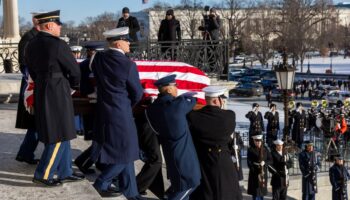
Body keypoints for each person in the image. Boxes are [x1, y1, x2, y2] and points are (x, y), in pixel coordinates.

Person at [25, 10, 84, 186]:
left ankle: (65, 171)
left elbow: (31, 70)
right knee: (58, 134)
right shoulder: (58, 44)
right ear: (49, 25)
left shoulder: (31, 44)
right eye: (58, 25)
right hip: (58, 91)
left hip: (42, 88)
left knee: (63, 131)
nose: (60, 28)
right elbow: (74, 70)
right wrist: (74, 86)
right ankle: (43, 174)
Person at [89, 27, 144, 199]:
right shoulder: (128, 64)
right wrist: (128, 105)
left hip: (104, 110)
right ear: (118, 42)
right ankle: (102, 182)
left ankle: (132, 193)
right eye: (127, 40)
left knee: (124, 152)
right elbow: (137, 93)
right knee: (127, 152)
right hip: (121, 113)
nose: (129, 44)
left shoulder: (98, 58)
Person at [146, 74, 201, 200]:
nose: (177, 88)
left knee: (180, 186)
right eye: (175, 86)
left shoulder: (151, 109)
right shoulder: (177, 105)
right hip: (183, 156)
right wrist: (186, 97)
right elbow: (193, 101)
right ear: (169, 89)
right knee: (188, 186)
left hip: (170, 153)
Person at [187, 86, 242, 200]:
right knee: (227, 191)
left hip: (203, 160)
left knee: (205, 193)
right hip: (224, 159)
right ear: (218, 100)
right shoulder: (229, 116)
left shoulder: (193, 116)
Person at [74, 41, 105, 174]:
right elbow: (84, 85)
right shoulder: (86, 65)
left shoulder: (89, 64)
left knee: (100, 137)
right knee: (99, 137)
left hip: (95, 103)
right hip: (93, 103)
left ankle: (98, 163)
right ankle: (83, 162)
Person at [15, 11, 42, 165]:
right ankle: (25, 153)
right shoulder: (29, 38)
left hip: (34, 83)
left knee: (35, 123)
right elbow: (25, 64)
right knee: (35, 122)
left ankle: (25, 153)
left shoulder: (34, 37)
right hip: (32, 85)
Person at [134, 97, 165, 199]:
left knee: (155, 158)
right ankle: (136, 187)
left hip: (154, 121)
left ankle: (154, 188)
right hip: (148, 122)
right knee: (156, 159)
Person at [247, 135, 272, 200]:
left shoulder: (265, 149)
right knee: (255, 193)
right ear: (254, 141)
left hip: (263, 173)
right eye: (256, 141)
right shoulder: (251, 149)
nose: (257, 143)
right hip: (255, 174)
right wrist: (255, 170)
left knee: (261, 192)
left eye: (259, 141)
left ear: (261, 141)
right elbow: (249, 162)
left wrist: (265, 163)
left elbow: (270, 160)